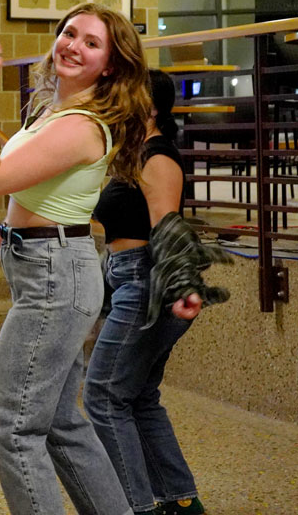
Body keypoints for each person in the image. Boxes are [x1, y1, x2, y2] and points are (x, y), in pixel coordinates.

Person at [0, 2, 152, 515]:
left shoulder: (82, 125)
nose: (73, 45)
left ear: (110, 65)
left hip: (56, 276)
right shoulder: (54, 110)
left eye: (91, 43)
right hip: (47, 267)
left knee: (13, 429)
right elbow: (33, 193)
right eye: (70, 33)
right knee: (63, 426)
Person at [84, 69, 206, 515]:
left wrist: (180, 286)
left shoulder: (158, 158)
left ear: (151, 108)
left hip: (146, 283)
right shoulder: (130, 154)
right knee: (137, 396)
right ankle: (181, 500)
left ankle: (136, 507)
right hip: (126, 277)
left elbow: (166, 228)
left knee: (103, 396)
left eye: (127, 95)